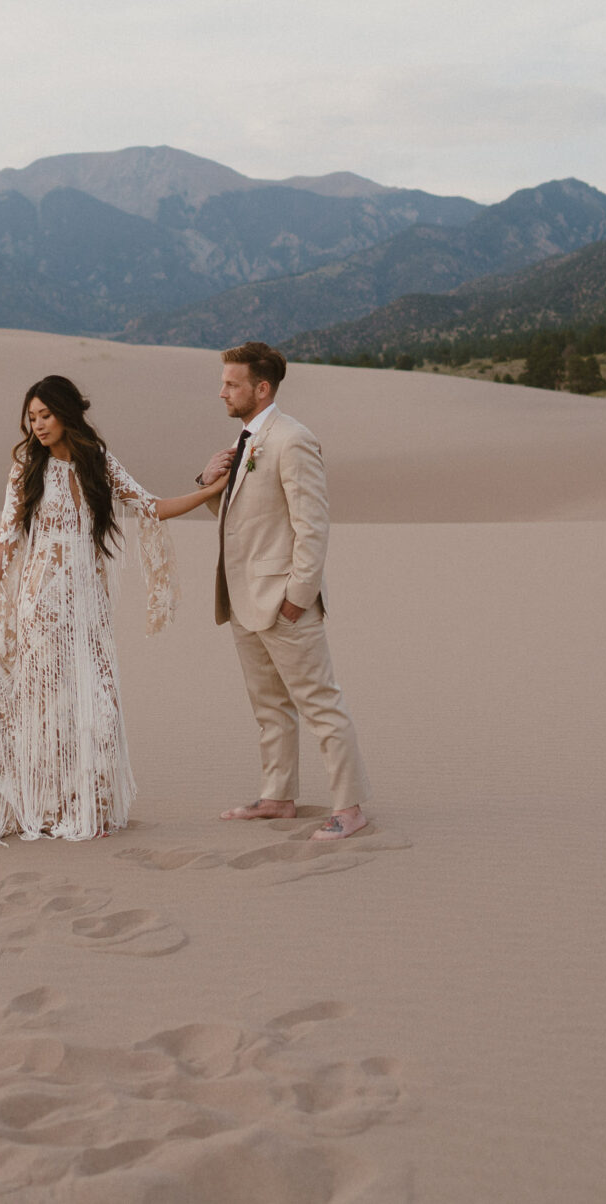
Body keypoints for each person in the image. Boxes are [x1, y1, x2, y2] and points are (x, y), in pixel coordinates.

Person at [0, 375, 225, 848]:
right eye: (31, 418)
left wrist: (208, 492)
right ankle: (48, 804)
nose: (37, 426)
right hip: (42, 605)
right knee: (47, 705)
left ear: (67, 413)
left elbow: (150, 506)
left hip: (89, 607)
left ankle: (88, 804)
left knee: (96, 699)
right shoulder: (25, 471)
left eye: (45, 415)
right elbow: (5, 544)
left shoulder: (98, 463)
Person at [193, 341, 371, 841]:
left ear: (261, 387)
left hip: (283, 603)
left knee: (320, 703)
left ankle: (350, 807)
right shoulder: (247, 440)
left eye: (232, 384)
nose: (222, 392)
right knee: (269, 706)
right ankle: (278, 797)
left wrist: (298, 596)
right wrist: (208, 482)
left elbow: (312, 526)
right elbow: (239, 520)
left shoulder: (292, 440)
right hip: (243, 598)